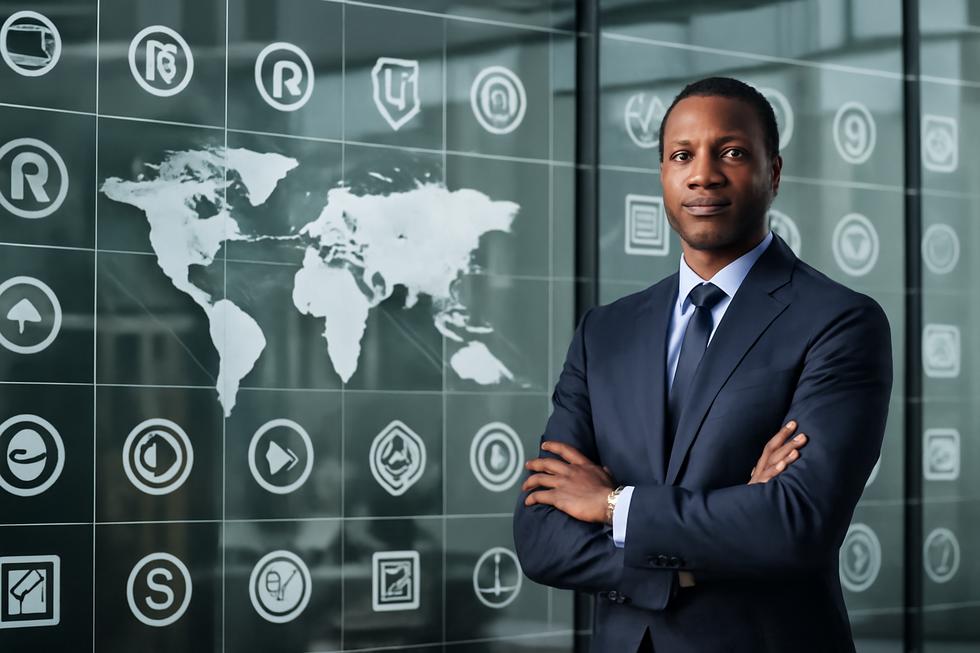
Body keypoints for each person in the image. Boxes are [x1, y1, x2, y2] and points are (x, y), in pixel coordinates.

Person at [512, 77, 892, 653]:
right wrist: (700, 551)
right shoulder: (605, 332)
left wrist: (613, 505)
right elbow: (541, 536)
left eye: (733, 153)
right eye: (681, 155)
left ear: (776, 173)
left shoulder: (839, 322)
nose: (703, 174)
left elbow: (795, 525)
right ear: (663, 174)